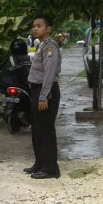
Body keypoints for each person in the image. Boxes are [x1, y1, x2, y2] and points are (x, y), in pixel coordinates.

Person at [24, 14, 62, 179]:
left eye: (39, 26)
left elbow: (49, 73)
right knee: (37, 128)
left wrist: (43, 96)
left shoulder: (50, 47)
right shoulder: (40, 45)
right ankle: (40, 163)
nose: (35, 28)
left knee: (46, 129)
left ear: (48, 29)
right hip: (37, 90)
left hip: (45, 91)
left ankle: (51, 167)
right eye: (34, 26)